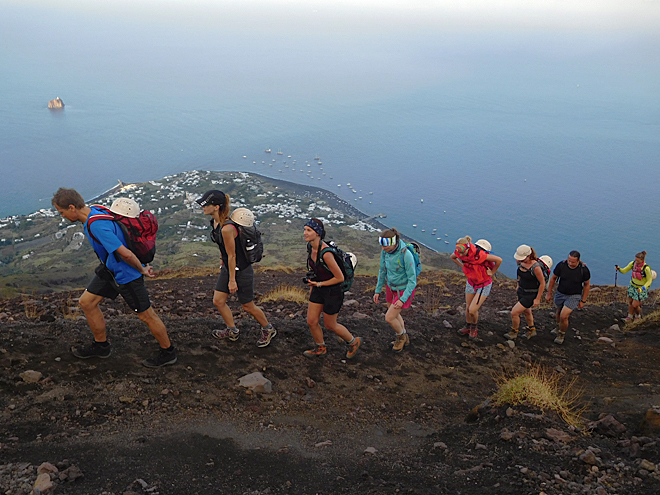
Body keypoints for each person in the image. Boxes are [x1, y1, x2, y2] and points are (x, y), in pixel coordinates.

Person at [51, 188, 177, 368]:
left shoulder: (96, 224)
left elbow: (125, 254)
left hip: (126, 274)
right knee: (87, 302)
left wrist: (141, 270)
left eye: (61, 212)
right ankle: (101, 346)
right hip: (110, 268)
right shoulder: (96, 210)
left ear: (72, 207)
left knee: (146, 315)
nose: (61, 216)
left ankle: (168, 352)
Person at [198, 190, 276, 347]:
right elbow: (223, 248)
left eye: (206, 205)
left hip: (241, 270)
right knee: (218, 301)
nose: (203, 207)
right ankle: (232, 330)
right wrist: (223, 261)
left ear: (216, 207)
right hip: (228, 268)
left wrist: (232, 280)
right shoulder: (216, 223)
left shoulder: (227, 228)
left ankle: (268, 329)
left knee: (247, 305)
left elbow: (232, 255)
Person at [302, 218, 361, 358]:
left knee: (330, 324)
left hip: (333, 292)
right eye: (304, 229)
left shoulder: (326, 254)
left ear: (318, 233)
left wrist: (319, 284)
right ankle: (320, 347)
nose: (305, 233)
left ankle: (353, 342)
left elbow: (339, 278)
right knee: (311, 321)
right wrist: (314, 285)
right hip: (318, 287)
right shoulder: (311, 247)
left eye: (309, 230)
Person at [373, 228, 418, 352]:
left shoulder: (406, 255)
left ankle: (401, 337)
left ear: (394, 243)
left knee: (389, 317)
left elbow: (412, 281)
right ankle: (404, 336)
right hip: (390, 287)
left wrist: (403, 299)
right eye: (382, 246)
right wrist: (378, 290)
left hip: (403, 290)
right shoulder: (386, 252)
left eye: (385, 246)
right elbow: (382, 271)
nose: (383, 249)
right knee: (394, 314)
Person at [450, 237, 502, 339]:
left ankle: (474, 327)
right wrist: (463, 266)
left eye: (462, 253)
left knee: (472, 310)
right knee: (468, 308)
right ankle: (468, 326)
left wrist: (492, 272)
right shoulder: (460, 251)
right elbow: (453, 257)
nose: (460, 255)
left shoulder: (481, 255)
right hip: (471, 282)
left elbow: (499, 260)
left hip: (483, 284)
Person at [545, 250, 591, 345]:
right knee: (558, 312)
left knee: (564, 315)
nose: (570, 263)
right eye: (569, 260)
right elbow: (553, 278)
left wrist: (583, 300)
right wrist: (549, 293)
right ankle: (559, 327)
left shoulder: (583, 270)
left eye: (573, 262)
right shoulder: (561, 265)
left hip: (574, 295)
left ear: (578, 261)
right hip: (560, 293)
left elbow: (587, 285)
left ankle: (562, 334)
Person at [504, 245, 546, 340]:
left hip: (530, 294)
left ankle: (514, 332)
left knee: (514, 313)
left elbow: (542, 283)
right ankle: (532, 330)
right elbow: (520, 275)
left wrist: (538, 299)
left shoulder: (536, 267)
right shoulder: (520, 262)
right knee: (527, 311)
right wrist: (518, 285)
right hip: (522, 291)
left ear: (529, 255)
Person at [616, 250, 653, 321]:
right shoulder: (632, 264)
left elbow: (649, 280)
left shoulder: (646, 268)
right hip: (632, 286)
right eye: (635, 260)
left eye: (638, 261)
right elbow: (624, 270)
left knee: (635, 305)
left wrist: (642, 288)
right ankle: (630, 316)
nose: (636, 262)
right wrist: (619, 269)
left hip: (640, 288)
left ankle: (638, 316)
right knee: (630, 302)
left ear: (642, 260)